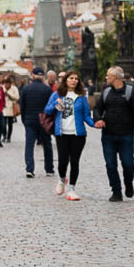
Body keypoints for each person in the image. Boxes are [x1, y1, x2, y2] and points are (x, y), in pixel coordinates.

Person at [90, 65, 134, 202]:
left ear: (116, 77)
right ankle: (116, 191)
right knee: (111, 164)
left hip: (126, 134)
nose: (106, 78)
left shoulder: (131, 92)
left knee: (128, 163)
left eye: (108, 75)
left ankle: (128, 183)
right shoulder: (106, 92)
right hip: (108, 135)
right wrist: (98, 119)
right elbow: (97, 109)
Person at [48, 71, 93, 200]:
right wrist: (56, 105)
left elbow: (86, 115)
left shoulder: (81, 96)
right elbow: (47, 110)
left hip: (78, 134)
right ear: (66, 80)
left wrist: (95, 124)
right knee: (62, 161)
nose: (74, 81)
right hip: (62, 133)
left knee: (75, 161)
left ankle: (72, 189)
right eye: (71, 78)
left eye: (76, 79)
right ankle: (62, 180)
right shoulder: (57, 94)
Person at [19, 67, 55, 178]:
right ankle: (49, 169)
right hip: (44, 120)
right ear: (43, 76)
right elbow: (51, 107)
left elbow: (22, 106)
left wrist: (24, 120)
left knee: (29, 145)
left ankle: (29, 169)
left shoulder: (26, 89)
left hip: (30, 120)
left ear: (33, 75)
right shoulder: (47, 89)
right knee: (47, 144)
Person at [0, 75, 19, 143]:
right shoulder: (1, 88)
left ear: (10, 84)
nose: (6, 85)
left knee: (10, 124)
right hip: (3, 108)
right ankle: (4, 136)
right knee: (3, 124)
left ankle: (8, 137)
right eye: (5, 83)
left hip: (11, 108)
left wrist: (9, 95)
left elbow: (17, 97)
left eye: (8, 83)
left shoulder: (14, 88)